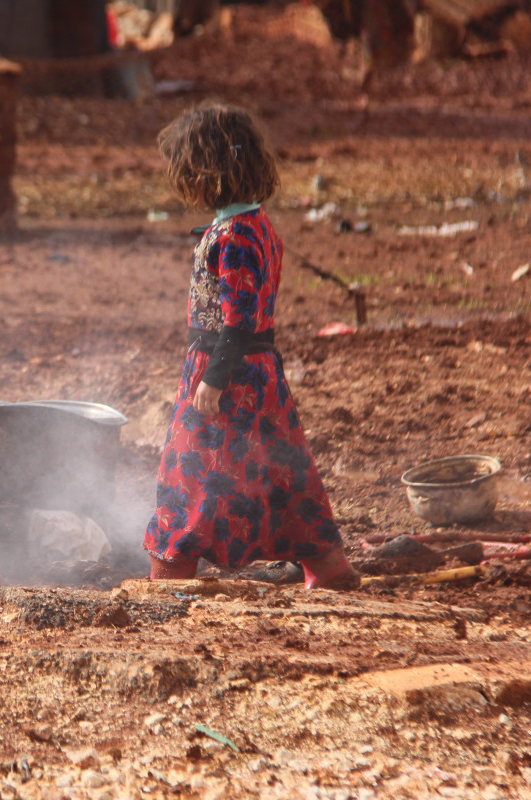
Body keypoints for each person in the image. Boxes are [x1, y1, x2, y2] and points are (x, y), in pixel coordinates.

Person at [143, 104, 359, 591]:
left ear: (208, 173)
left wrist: (213, 379)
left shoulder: (234, 237)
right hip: (261, 374)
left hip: (229, 373)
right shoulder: (256, 226)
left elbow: (236, 322)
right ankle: (328, 569)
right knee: (283, 470)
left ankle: (167, 576)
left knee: (190, 474)